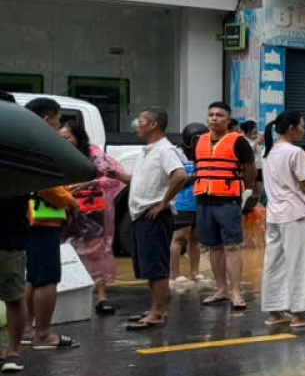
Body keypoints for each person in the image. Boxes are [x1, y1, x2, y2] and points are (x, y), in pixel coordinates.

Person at [22, 101, 80, 350]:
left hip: (25, 218)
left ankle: (26, 330)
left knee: (32, 278)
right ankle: (43, 335)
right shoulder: (40, 143)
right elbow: (46, 184)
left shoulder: (21, 139)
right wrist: (70, 201)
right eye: (58, 120)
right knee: (46, 279)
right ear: (47, 120)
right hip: (43, 220)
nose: (60, 126)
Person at [125, 108, 187, 330]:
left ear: (153, 125)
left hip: (154, 216)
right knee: (149, 267)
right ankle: (156, 307)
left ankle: (158, 313)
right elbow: (140, 180)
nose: (136, 124)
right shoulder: (148, 150)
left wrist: (163, 202)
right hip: (141, 214)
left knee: (157, 267)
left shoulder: (165, 150)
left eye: (140, 120)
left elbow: (180, 175)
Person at [60, 117, 130, 313]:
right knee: (66, 253)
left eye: (67, 137)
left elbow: (114, 179)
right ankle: (68, 297)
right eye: (61, 138)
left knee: (96, 254)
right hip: (64, 210)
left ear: (78, 137)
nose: (64, 141)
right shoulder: (56, 154)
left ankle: (101, 297)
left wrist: (92, 183)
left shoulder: (95, 155)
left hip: (92, 211)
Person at [194, 102, 256, 311]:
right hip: (204, 200)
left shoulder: (239, 142)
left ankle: (236, 291)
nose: (214, 118)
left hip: (228, 201)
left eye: (220, 115)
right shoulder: (199, 141)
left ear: (228, 120)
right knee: (214, 247)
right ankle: (221, 289)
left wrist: (242, 192)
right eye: (211, 115)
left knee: (232, 247)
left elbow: (250, 171)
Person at [260, 113, 305, 328]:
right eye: (302, 126)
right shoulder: (296, 152)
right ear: (292, 128)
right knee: (299, 263)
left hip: (274, 213)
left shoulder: (267, 151)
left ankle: (275, 312)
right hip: (294, 213)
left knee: (273, 262)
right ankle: (299, 314)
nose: (304, 130)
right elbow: (304, 185)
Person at [2, 93, 35, 371]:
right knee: (13, 294)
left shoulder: (19, 146)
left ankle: (14, 350)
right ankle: (11, 351)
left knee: (13, 294)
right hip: (12, 232)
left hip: (10, 231)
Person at [169, 123, 205, 289]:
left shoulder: (204, 157)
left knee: (195, 240)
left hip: (199, 204)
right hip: (182, 204)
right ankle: (174, 275)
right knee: (179, 239)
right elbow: (177, 181)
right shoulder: (177, 156)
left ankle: (194, 272)